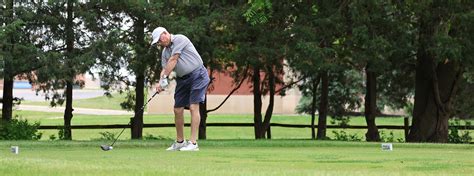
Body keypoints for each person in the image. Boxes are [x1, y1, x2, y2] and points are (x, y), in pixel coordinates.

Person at [150, 27, 210, 151]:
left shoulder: (180, 39)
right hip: (183, 79)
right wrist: (161, 82)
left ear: (165, 33)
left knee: (194, 107)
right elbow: (165, 68)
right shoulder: (165, 52)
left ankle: (193, 143)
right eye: (157, 43)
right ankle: (180, 142)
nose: (159, 44)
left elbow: (173, 60)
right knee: (177, 109)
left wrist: (165, 76)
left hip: (198, 75)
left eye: (159, 41)